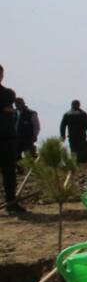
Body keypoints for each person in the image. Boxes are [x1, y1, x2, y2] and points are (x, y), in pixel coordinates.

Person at [0, 64, 24, 214]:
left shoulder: (8, 93)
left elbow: (7, 108)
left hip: (7, 139)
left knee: (9, 173)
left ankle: (11, 203)